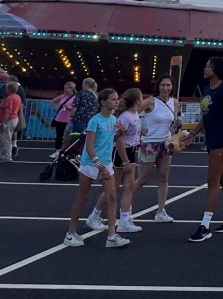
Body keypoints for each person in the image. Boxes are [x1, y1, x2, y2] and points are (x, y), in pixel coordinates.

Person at [182, 56, 223, 242]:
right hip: (213, 141)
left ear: (217, 69)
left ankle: (204, 226)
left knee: (212, 182)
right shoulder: (209, 88)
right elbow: (205, 117)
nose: (204, 68)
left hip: (220, 143)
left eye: (208, 66)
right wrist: (193, 134)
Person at [63, 87, 130, 248]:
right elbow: (90, 146)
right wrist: (100, 166)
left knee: (112, 197)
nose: (117, 101)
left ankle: (112, 236)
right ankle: (70, 233)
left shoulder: (113, 120)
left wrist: (121, 134)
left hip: (106, 162)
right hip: (90, 163)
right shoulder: (95, 120)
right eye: (113, 99)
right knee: (83, 197)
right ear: (103, 102)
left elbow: (111, 140)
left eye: (117, 98)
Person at [86, 88, 144, 234]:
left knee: (120, 187)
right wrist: (125, 161)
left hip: (131, 151)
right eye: (142, 97)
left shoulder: (134, 114)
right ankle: (123, 220)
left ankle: (96, 215)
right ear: (137, 100)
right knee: (119, 187)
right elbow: (120, 141)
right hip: (122, 153)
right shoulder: (124, 116)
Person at [134, 74, 179, 222]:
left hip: (165, 144)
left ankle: (160, 211)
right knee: (142, 179)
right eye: (163, 85)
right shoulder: (151, 101)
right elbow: (131, 114)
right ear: (158, 86)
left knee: (164, 177)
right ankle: (125, 209)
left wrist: (177, 128)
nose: (165, 88)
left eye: (168, 85)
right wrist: (141, 129)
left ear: (172, 87)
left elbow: (172, 122)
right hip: (148, 144)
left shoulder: (175, 102)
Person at [67, 78, 99, 148]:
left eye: (82, 84)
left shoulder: (81, 93)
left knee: (75, 141)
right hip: (90, 121)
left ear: (85, 84)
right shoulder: (96, 95)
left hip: (79, 120)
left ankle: (73, 156)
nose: (82, 85)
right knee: (86, 141)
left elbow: (74, 106)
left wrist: (71, 117)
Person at [0, 80, 23, 163]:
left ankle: (6, 156)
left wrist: (3, 123)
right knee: (6, 138)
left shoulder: (10, 98)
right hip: (14, 119)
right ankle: (2, 155)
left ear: (9, 89)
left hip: (9, 120)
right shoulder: (17, 97)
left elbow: (7, 112)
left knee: (5, 139)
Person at [50, 81, 77, 158]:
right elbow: (52, 101)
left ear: (72, 89)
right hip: (59, 118)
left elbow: (77, 108)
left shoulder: (76, 97)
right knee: (59, 136)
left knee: (68, 137)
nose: (65, 90)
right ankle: (57, 151)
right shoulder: (62, 96)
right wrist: (56, 108)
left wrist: (70, 108)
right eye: (64, 88)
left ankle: (67, 151)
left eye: (66, 89)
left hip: (68, 119)